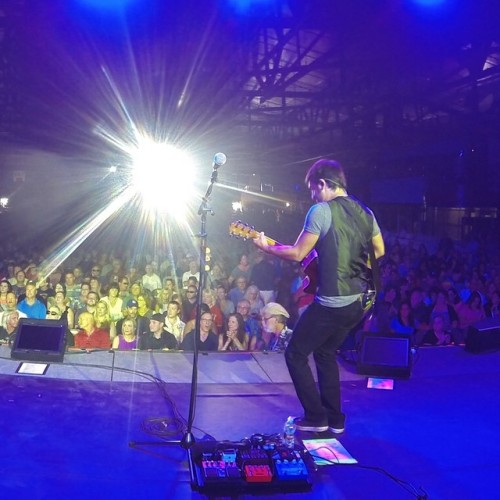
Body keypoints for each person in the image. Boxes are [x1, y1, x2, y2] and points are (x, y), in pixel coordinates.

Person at [253, 158, 384, 434]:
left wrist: (266, 247)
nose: (312, 195)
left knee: (295, 353)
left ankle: (315, 417)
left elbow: (297, 253)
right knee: (325, 352)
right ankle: (335, 419)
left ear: (323, 184)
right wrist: (349, 265)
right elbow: (379, 251)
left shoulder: (321, 211)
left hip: (333, 303)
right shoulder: (366, 211)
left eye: (313, 189)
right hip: (360, 302)